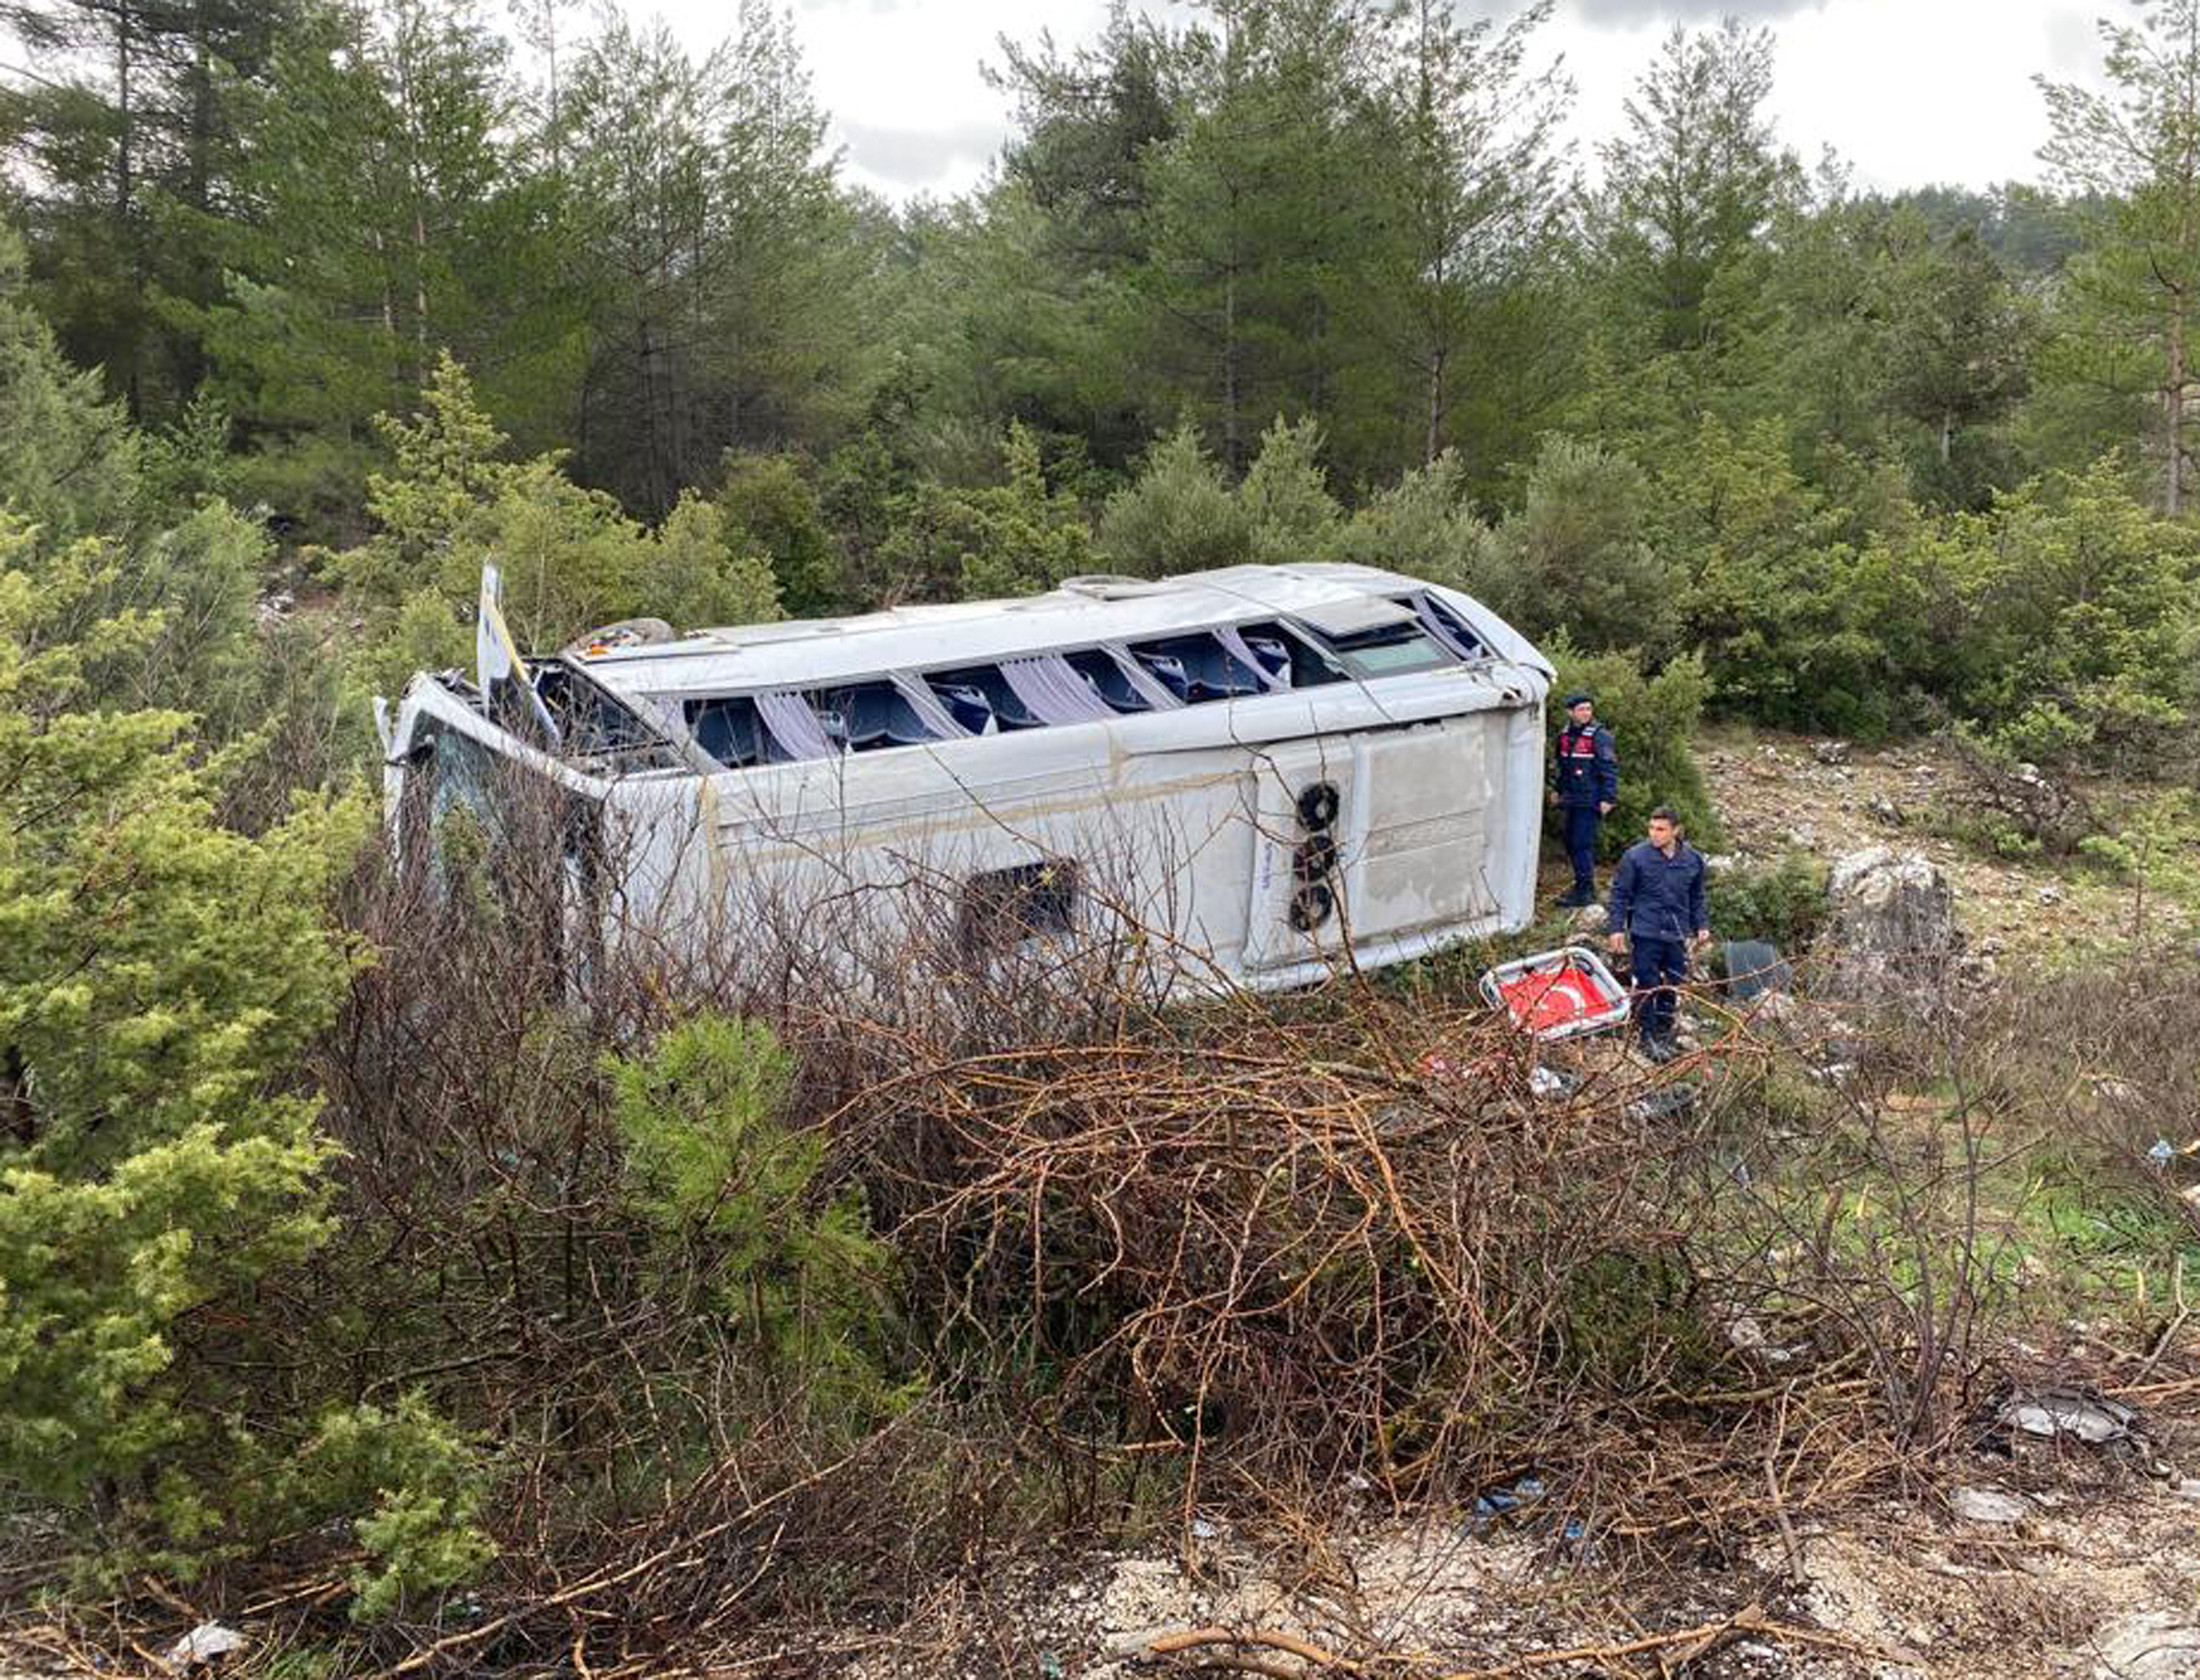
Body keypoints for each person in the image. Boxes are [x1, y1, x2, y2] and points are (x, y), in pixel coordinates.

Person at [1606, 805, 1710, 1063]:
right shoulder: (1635, 857)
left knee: (1671, 982)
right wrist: (1616, 928)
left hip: (1676, 932)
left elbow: (1696, 896)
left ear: (1676, 831)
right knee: (1646, 983)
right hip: (1645, 930)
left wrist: (1701, 925)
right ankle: (1647, 1035)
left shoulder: (1693, 860)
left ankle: (1664, 1033)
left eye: (1661, 829)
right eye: (1651, 828)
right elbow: (1620, 893)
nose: (1654, 834)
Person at [1549, 692, 1617, 907]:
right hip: (1571, 798)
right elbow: (1563, 768)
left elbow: (1609, 769)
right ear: (1570, 712)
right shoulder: (1565, 735)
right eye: (1581, 709)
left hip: (1591, 799)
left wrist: (1608, 798)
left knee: (1581, 844)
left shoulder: (1599, 736)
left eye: (1589, 708)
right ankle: (1582, 885)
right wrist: (1558, 791)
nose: (1586, 713)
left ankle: (1585, 891)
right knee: (1570, 842)